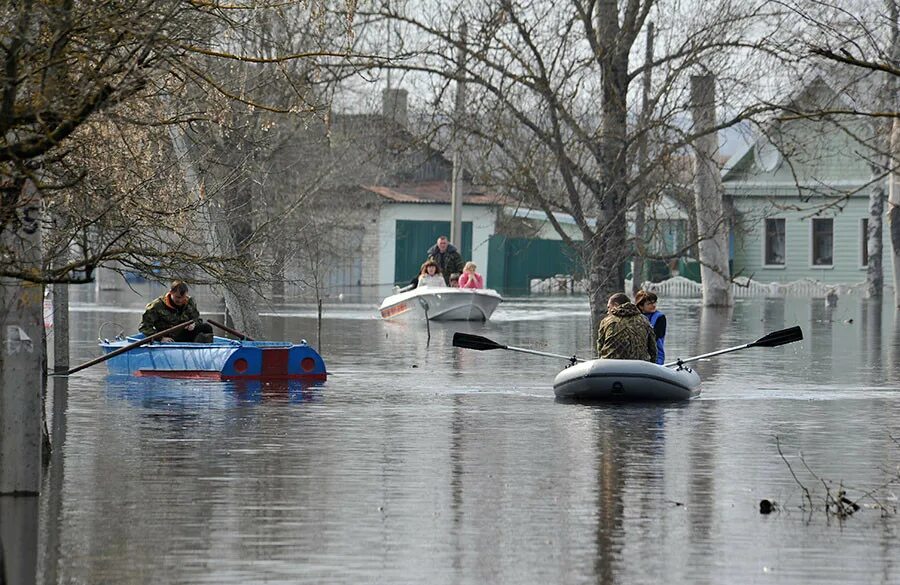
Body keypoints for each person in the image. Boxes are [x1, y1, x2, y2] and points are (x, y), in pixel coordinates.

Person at [140, 280, 214, 343]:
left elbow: (197, 319)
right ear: (171, 292)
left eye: (183, 297)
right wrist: (160, 338)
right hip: (168, 338)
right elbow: (144, 327)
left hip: (184, 334)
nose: (180, 300)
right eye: (177, 297)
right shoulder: (157, 305)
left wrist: (193, 324)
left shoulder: (190, 302)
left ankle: (202, 351)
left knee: (206, 327)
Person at [596, 292, 657, 362]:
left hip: (611, 366)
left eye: (609, 307)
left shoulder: (606, 321)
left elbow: (600, 348)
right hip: (640, 366)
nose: (607, 312)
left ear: (615, 305)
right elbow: (653, 349)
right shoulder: (644, 320)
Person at [635, 290, 666, 365]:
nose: (654, 305)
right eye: (649, 304)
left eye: (654, 302)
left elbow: (655, 337)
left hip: (656, 355)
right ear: (641, 306)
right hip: (637, 355)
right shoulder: (634, 317)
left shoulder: (660, 317)